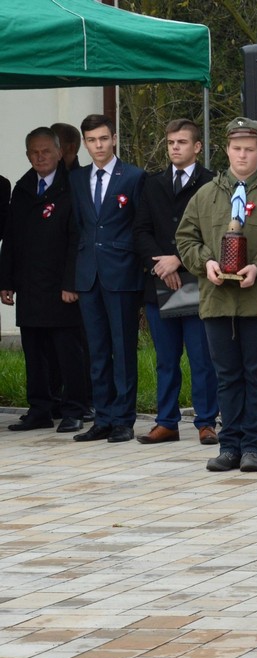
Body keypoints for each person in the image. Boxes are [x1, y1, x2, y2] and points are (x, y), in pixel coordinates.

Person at [175, 117, 257, 473]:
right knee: (227, 376)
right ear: (227, 150)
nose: (242, 155)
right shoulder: (206, 195)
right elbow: (186, 238)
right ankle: (229, 445)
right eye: (236, 148)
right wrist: (205, 262)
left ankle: (253, 447)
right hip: (217, 301)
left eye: (249, 149)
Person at [132, 119, 219, 446]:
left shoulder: (211, 183)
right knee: (166, 360)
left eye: (181, 142)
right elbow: (140, 230)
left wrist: (179, 260)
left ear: (197, 146)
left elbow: (216, 233)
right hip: (160, 283)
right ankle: (166, 422)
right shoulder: (152, 183)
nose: (174, 148)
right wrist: (160, 264)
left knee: (201, 359)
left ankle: (206, 422)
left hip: (198, 281)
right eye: (170, 143)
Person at [0, 127, 88, 432]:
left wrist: (71, 283)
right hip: (29, 284)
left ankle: (74, 408)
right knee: (34, 352)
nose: (40, 157)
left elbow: (77, 239)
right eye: (34, 152)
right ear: (28, 155)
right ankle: (39, 409)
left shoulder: (73, 186)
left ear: (59, 153)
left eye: (46, 151)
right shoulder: (23, 188)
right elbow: (11, 237)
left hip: (61, 286)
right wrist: (6, 281)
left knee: (68, 351)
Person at [67, 114, 146, 444]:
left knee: (123, 349)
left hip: (122, 272)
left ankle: (123, 419)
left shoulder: (134, 176)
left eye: (103, 138)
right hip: (88, 274)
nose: (98, 145)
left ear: (114, 138)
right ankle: (103, 417)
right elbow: (76, 228)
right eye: (91, 140)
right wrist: (72, 277)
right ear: (84, 144)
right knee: (97, 350)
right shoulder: (76, 178)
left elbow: (140, 225)